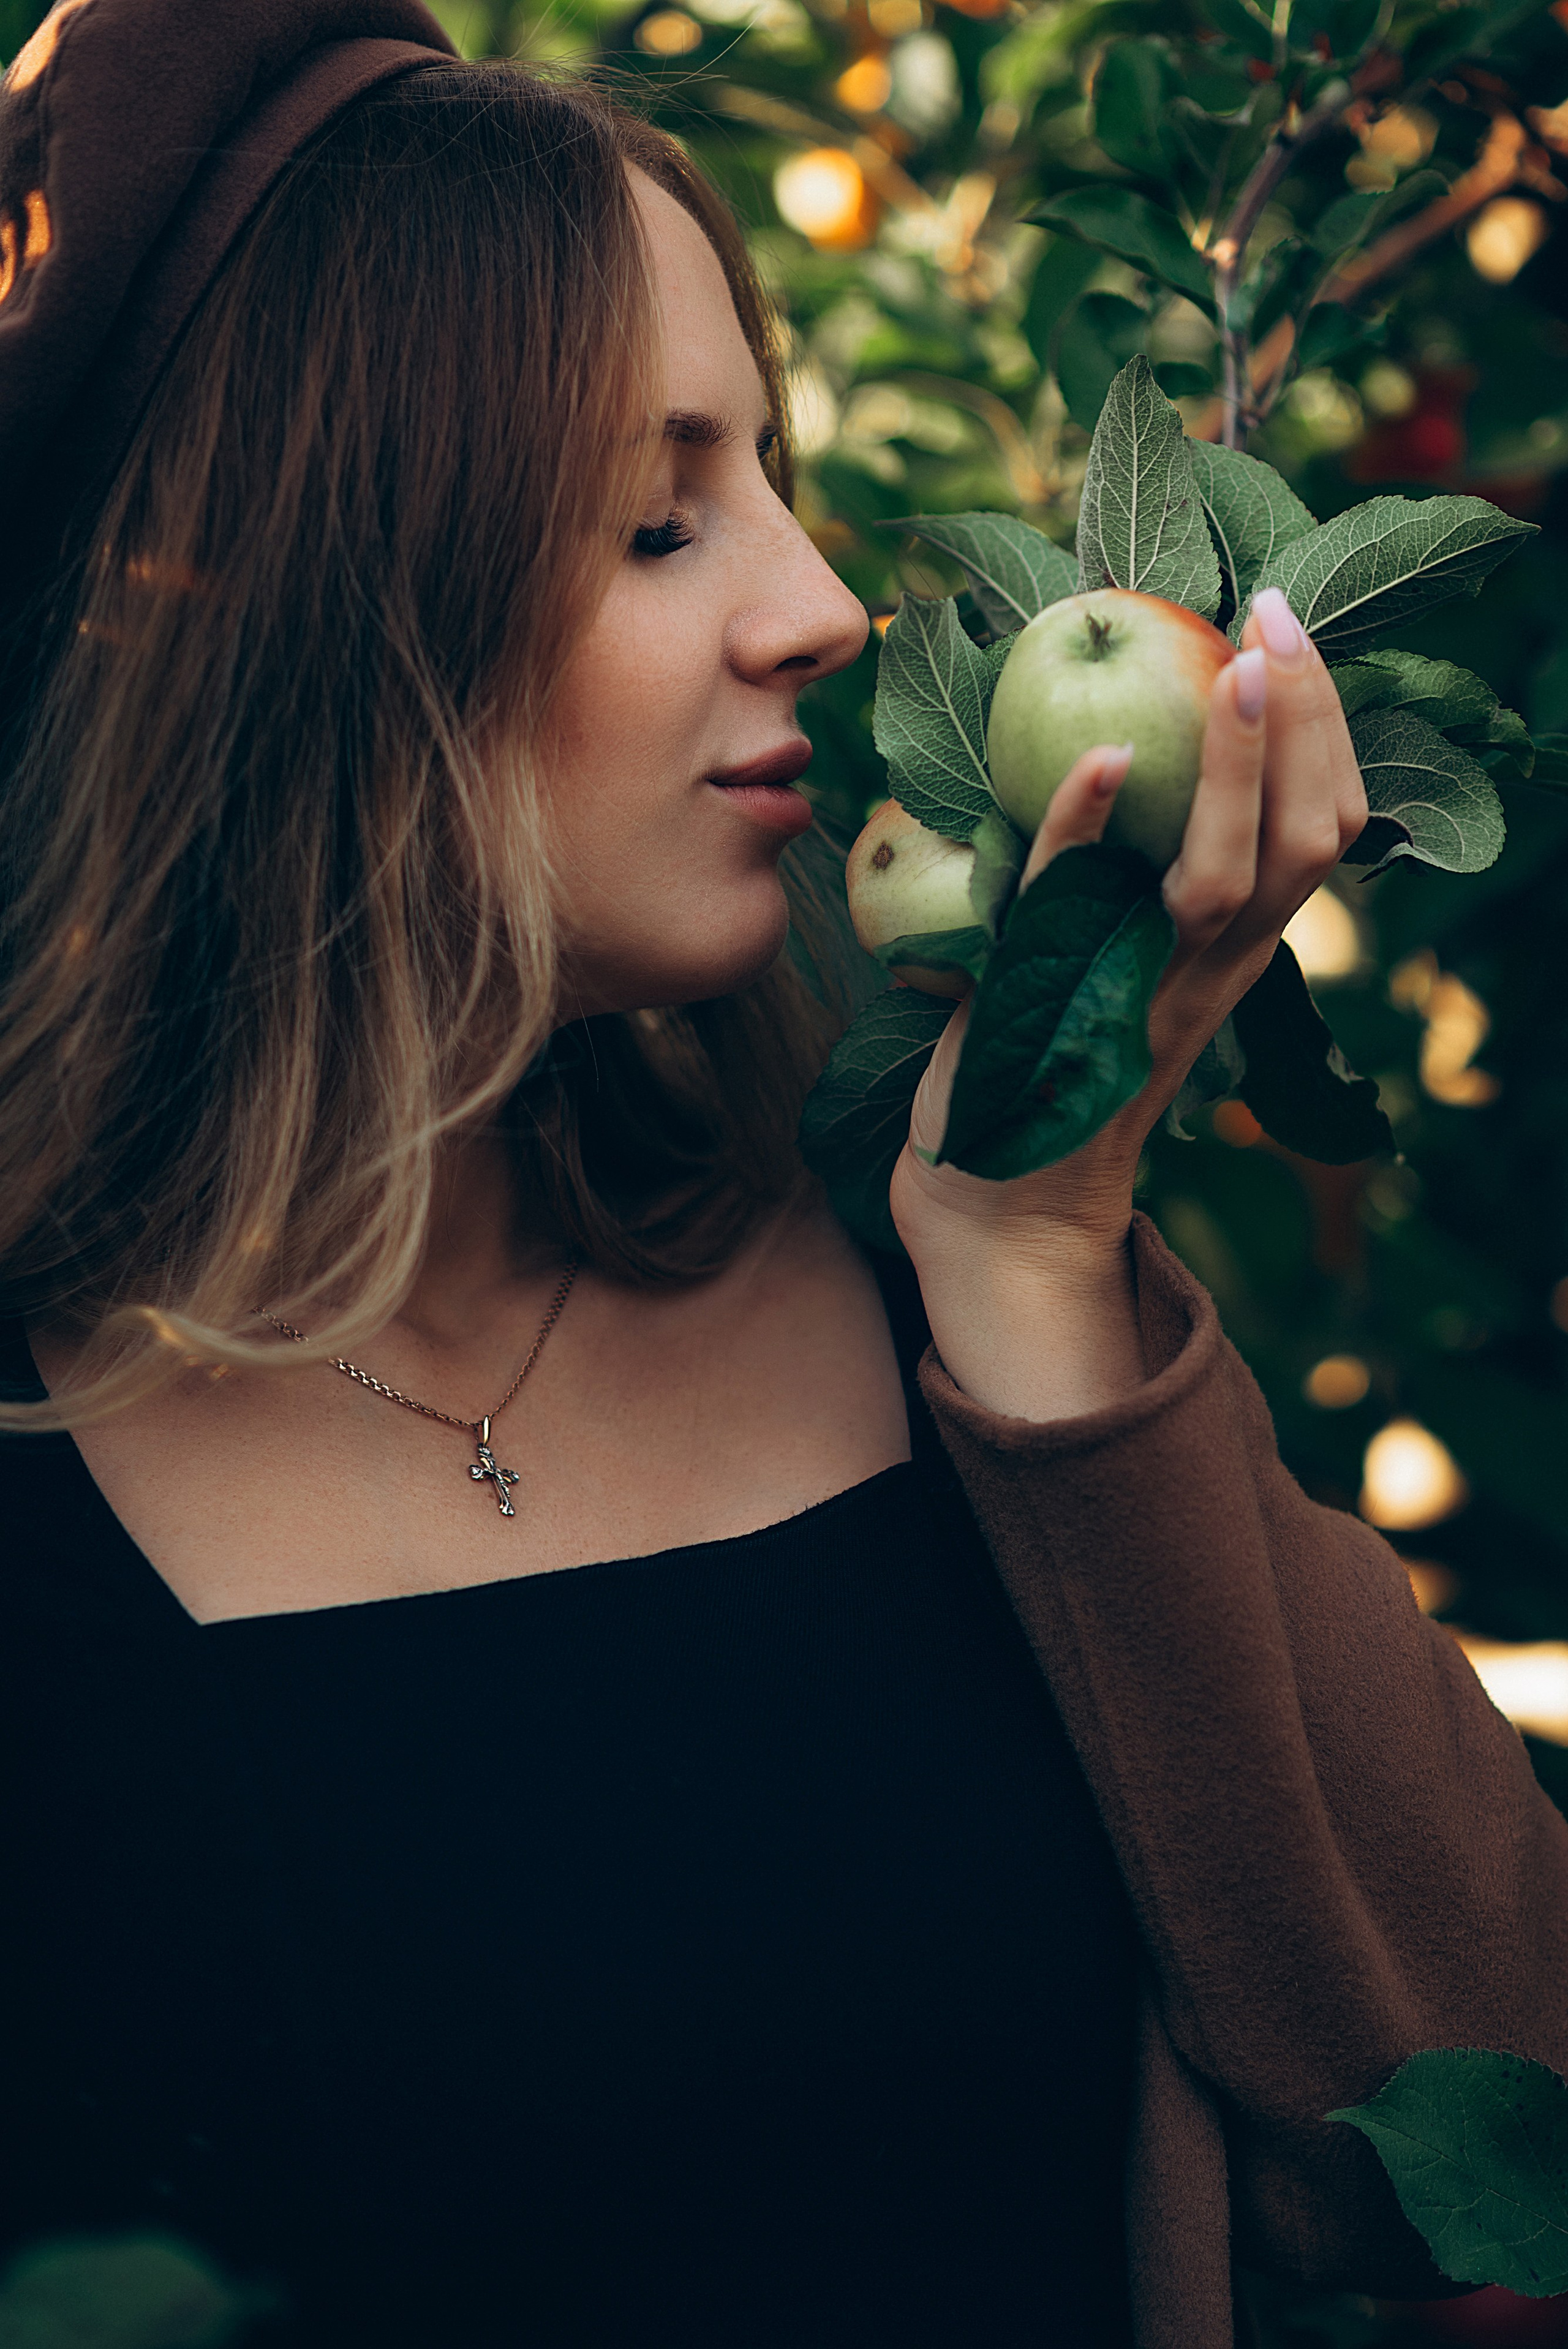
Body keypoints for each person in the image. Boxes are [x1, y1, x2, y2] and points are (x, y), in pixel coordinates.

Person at [2, 6, 1566, 2346]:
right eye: (660, 518)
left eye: (773, 475)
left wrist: (1042, 1268)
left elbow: (1484, 2163)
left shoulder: (901, 1253)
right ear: (323, 621)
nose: (822, 606)